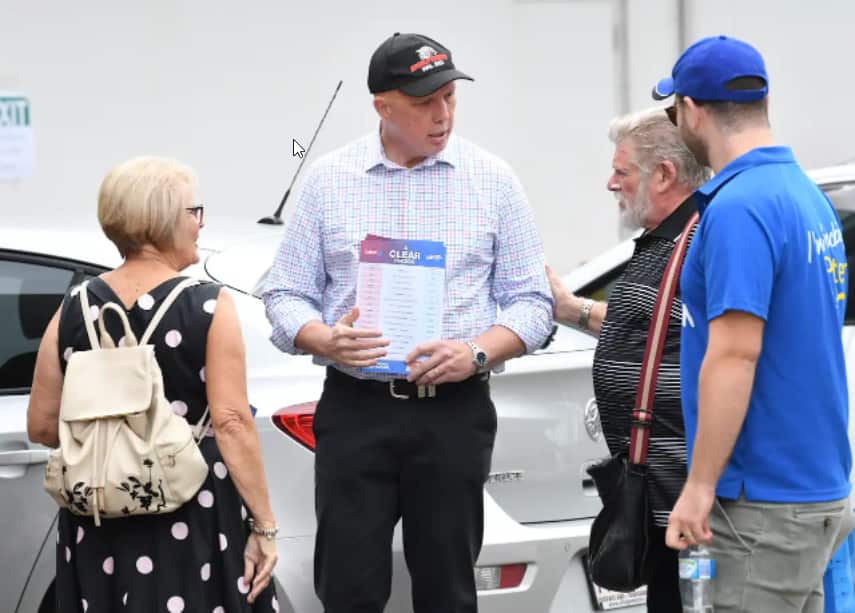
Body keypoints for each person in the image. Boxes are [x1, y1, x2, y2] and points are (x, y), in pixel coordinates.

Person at [262, 32, 552, 613]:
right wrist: (324, 338)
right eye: (424, 102)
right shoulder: (328, 180)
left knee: (447, 586)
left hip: (453, 411)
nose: (442, 115)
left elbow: (533, 304)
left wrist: (476, 352)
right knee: (348, 583)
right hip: (357, 408)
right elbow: (283, 293)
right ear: (382, 106)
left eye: (449, 97)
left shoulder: (493, 180)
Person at [27, 156, 279, 612]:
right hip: (190, 510)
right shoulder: (207, 305)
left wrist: (112, 430)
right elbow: (231, 421)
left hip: (99, 517)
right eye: (192, 211)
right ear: (161, 220)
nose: (200, 224)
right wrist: (264, 526)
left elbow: (42, 425)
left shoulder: (74, 307)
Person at [655, 36, 851, 612]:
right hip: (811, 485)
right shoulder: (803, 194)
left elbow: (736, 354)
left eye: (673, 111)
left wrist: (698, 487)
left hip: (759, 499)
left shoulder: (741, 207)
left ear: (691, 110)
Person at [548, 107, 709, 611]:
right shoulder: (663, 239)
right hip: (658, 494)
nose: (610, 183)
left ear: (665, 174)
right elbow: (648, 323)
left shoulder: (702, 240)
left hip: (685, 495)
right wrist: (572, 309)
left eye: (623, 172)